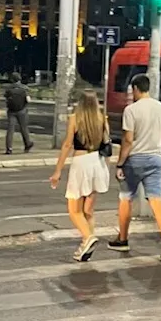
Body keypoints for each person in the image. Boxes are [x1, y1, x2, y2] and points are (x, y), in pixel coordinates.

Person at [108, 73, 161, 261]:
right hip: (156, 158)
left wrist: (120, 163)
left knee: (126, 198)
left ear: (135, 89)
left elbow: (128, 140)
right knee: (156, 199)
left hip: (135, 160)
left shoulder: (131, 110)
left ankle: (122, 239)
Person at [49, 90, 111, 262]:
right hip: (97, 162)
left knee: (74, 210)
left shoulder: (75, 119)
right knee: (88, 211)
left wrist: (58, 171)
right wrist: (107, 169)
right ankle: (86, 247)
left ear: (80, 103)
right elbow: (107, 145)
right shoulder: (102, 120)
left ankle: (88, 238)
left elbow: (68, 144)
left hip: (81, 162)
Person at [3, 72, 33, 154]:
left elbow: (6, 98)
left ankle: (9, 148)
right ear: (19, 78)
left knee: (10, 130)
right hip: (22, 110)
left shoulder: (8, 88)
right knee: (24, 128)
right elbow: (28, 100)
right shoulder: (24, 88)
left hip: (11, 111)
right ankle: (27, 144)